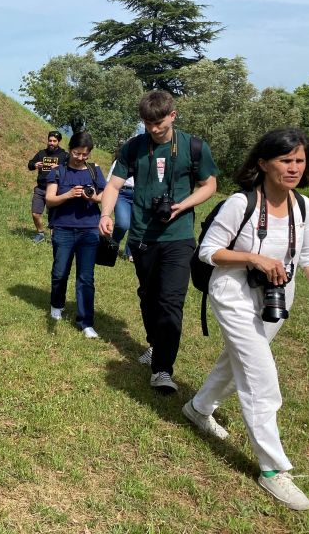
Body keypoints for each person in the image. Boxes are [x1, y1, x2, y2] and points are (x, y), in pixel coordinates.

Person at [183, 128, 309, 511]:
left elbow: (306, 260)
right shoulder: (240, 204)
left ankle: (199, 407)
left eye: (300, 160)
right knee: (260, 377)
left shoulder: (304, 207)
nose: (293, 168)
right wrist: (253, 258)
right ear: (263, 163)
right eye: (285, 160)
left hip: (276, 297)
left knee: (237, 359)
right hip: (234, 294)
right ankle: (273, 469)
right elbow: (208, 251)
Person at [99, 90, 217, 392]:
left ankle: (163, 370)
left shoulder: (193, 147)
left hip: (178, 238)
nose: (153, 129)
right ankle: (155, 343)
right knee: (149, 296)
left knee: (171, 302)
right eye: (148, 123)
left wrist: (185, 204)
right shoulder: (134, 148)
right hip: (142, 237)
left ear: (173, 116)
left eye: (160, 124)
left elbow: (210, 185)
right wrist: (106, 213)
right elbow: (113, 185)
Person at [45, 131, 106, 338]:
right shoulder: (58, 172)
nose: (80, 157)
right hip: (63, 229)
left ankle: (86, 322)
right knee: (59, 272)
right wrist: (68, 195)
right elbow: (50, 200)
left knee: (86, 278)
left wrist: (92, 197)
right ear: (70, 149)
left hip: (89, 230)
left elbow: (105, 196)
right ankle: (57, 304)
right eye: (77, 153)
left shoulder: (94, 171)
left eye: (85, 154)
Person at [27, 130, 68, 242]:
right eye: (50, 140)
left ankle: (54, 237)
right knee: (35, 213)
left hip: (55, 190)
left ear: (58, 142)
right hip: (40, 188)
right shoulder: (41, 153)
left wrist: (59, 168)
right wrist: (35, 164)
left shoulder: (64, 155)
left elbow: (70, 170)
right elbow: (30, 164)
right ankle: (40, 233)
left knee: (53, 216)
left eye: (54, 141)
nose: (51, 143)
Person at [108, 139, 135, 261]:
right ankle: (114, 243)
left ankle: (129, 253)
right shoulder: (119, 162)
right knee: (123, 224)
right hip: (123, 193)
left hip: (139, 194)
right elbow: (110, 182)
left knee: (136, 225)